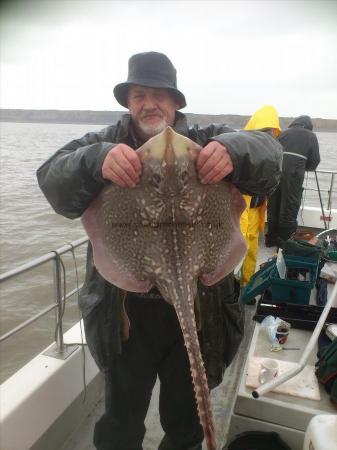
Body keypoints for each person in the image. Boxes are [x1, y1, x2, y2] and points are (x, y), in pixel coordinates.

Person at [36, 51, 282, 450]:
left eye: (159, 94)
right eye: (138, 95)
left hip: (200, 306)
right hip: (126, 315)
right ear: (128, 102)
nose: (148, 103)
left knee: (184, 419)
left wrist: (233, 150)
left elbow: (270, 155)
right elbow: (51, 178)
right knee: (121, 418)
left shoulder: (206, 140)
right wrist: (96, 162)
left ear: (176, 101)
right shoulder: (104, 144)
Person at [239, 105, 281, 286]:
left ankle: (246, 283)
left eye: (272, 130)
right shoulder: (242, 145)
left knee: (252, 246)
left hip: (256, 207)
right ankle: (228, 285)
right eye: (268, 129)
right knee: (239, 245)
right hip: (240, 205)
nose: (270, 133)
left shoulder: (273, 148)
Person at [265, 115, 320, 247]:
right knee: (289, 209)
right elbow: (314, 161)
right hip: (293, 175)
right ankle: (285, 244)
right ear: (308, 127)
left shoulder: (283, 134)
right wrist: (304, 167)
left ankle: (270, 240)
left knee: (274, 207)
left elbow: (271, 153)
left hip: (275, 174)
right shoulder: (310, 136)